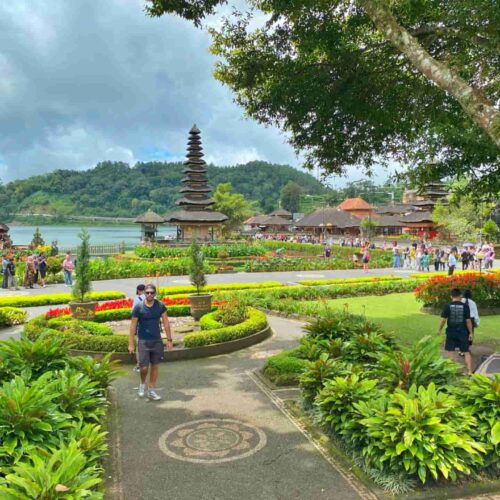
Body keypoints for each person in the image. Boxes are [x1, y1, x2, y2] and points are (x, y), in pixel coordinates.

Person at [129, 284, 173, 401]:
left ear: (155, 294)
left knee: (155, 366)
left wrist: (169, 340)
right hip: (143, 341)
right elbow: (133, 326)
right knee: (144, 368)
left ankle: (152, 390)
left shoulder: (160, 306)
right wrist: (131, 343)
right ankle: (142, 384)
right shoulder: (138, 307)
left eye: (151, 293)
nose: (149, 294)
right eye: (147, 292)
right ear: (144, 293)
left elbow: (166, 323)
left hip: (157, 341)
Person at [437, 288, 474, 375]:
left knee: (451, 351)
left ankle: (452, 372)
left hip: (451, 332)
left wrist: (439, 330)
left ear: (451, 296)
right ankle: (469, 372)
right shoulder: (465, 306)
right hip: (463, 332)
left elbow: (443, 320)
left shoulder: (447, 306)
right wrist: (471, 333)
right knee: (466, 352)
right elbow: (468, 321)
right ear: (460, 296)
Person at [132, 284, 146, 373]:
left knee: (140, 346)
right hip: (152, 326)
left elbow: (133, 312)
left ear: (138, 290)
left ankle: (139, 365)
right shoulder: (153, 298)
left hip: (141, 326)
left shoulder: (137, 299)